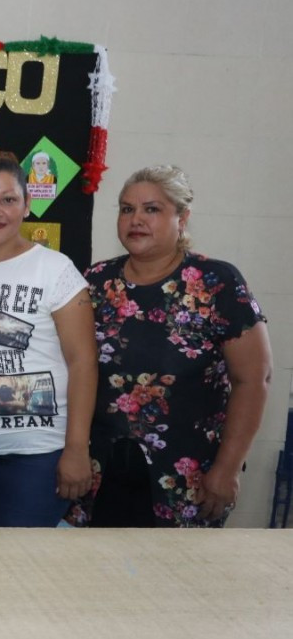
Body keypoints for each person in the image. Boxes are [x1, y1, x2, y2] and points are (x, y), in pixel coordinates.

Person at [74, 165, 270, 528]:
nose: (136, 219)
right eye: (126, 208)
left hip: (189, 480)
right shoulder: (95, 281)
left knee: (175, 580)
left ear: (183, 217)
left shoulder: (216, 282)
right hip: (101, 474)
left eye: (152, 209)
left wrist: (227, 469)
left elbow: (254, 380)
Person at [0, 151, 96, 527]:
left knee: (21, 565)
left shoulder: (56, 269)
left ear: (27, 205)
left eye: (8, 199)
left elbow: (83, 362)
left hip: (40, 450)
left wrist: (77, 448)